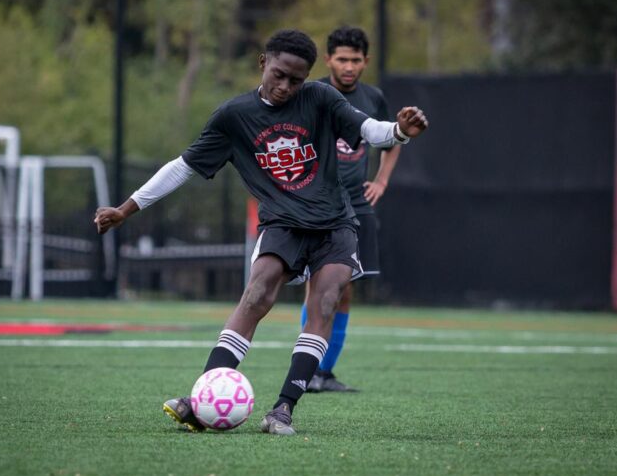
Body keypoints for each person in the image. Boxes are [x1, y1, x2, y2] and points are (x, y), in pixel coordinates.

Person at [94, 29, 427, 436]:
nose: (286, 86)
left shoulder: (321, 99)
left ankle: (283, 409)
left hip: (334, 222)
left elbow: (370, 130)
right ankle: (201, 400)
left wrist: (398, 131)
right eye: (280, 74)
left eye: (297, 79)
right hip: (282, 222)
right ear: (262, 62)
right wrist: (126, 209)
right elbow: (182, 166)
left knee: (326, 301)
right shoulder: (234, 116)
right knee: (257, 293)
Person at [302, 26, 400, 393]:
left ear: (365, 62)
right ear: (328, 59)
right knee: (317, 284)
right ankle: (306, 368)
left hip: (358, 205)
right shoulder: (310, 93)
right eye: (341, 59)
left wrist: (382, 180)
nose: (348, 66)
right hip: (317, 203)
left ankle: (324, 373)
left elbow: (394, 139)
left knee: (346, 288)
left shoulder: (373, 97)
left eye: (355, 60)